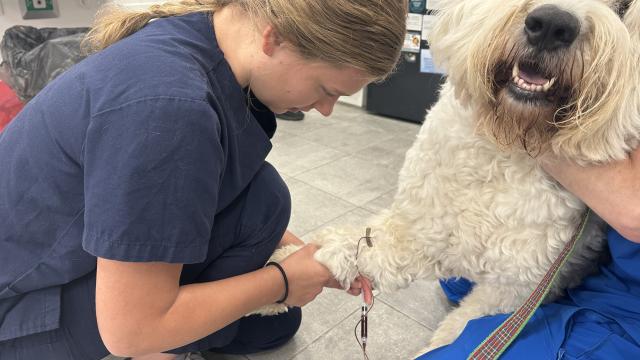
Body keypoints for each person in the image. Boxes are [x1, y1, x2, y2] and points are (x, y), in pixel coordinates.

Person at [0, 0, 407, 359]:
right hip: (18, 309)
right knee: (266, 211)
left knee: (274, 318)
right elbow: (128, 330)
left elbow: (204, 187)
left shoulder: (208, 35)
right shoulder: (171, 109)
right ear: (275, 38)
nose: (327, 109)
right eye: (326, 90)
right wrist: (282, 282)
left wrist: (308, 257)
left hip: (64, 259)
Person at [414, 148, 640, 359]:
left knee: (464, 346)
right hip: (606, 258)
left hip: (630, 306)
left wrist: (532, 139)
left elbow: (634, 211)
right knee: (455, 281)